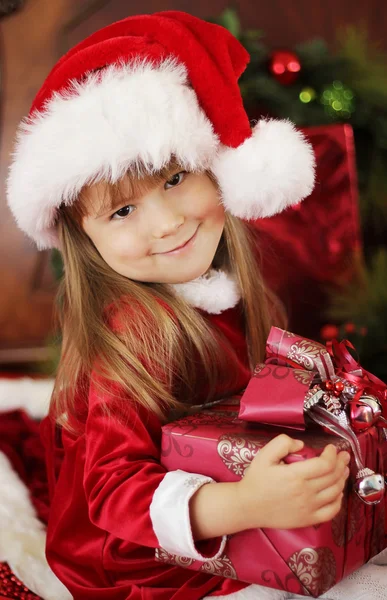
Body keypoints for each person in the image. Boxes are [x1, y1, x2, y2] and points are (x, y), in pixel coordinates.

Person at [6, 10, 387, 600]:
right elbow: (112, 495)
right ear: (88, 243)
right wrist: (243, 503)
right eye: (123, 211)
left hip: (225, 496)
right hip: (140, 555)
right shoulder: (131, 333)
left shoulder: (234, 286)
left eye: (177, 178)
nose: (168, 222)